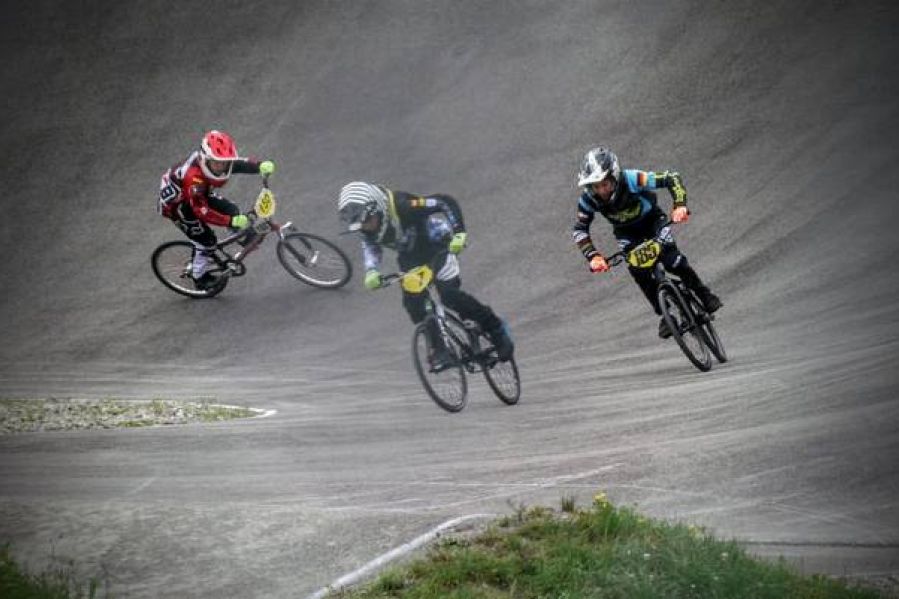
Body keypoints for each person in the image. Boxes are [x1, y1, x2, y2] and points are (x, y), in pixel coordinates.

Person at [337, 181, 514, 366]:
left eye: (368, 221)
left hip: (438, 245)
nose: (366, 227)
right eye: (361, 225)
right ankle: (440, 349)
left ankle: (496, 328)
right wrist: (371, 271)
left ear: (378, 207)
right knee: (414, 304)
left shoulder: (404, 206)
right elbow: (370, 246)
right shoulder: (366, 227)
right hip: (410, 257)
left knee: (449, 295)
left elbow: (444, 202)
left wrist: (459, 233)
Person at [571, 146, 722, 338]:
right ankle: (665, 315)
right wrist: (593, 257)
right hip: (626, 232)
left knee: (672, 261)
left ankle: (703, 293)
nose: (601, 191)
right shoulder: (588, 200)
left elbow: (671, 178)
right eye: (595, 186)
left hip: (652, 221)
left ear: (614, 176)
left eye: (605, 184)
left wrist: (680, 205)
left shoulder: (632, 178)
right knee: (639, 271)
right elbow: (580, 230)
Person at [157, 130, 275, 289]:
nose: (221, 167)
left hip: (198, 193)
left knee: (231, 209)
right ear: (205, 159)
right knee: (206, 241)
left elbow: (237, 164)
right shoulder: (194, 178)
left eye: (224, 162)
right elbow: (202, 211)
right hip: (179, 206)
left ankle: (238, 235)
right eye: (217, 163)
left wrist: (259, 166)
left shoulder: (215, 162)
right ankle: (199, 277)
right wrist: (230, 221)